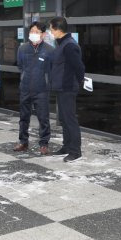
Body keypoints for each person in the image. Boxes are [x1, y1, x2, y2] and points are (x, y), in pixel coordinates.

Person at [13, 22, 54, 155]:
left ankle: (44, 143)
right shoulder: (23, 48)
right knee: (24, 117)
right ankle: (23, 142)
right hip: (25, 88)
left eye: (36, 32)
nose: (33, 34)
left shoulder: (49, 50)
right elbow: (20, 65)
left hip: (41, 89)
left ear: (43, 34)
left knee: (43, 118)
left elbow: (52, 68)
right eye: (32, 31)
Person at [48, 16, 85, 162]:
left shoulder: (69, 45)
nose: (50, 32)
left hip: (67, 87)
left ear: (58, 29)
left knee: (69, 119)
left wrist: (79, 80)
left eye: (51, 29)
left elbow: (79, 67)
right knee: (63, 118)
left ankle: (75, 151)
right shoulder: (62, 43)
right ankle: (67, 146)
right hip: (61, 87)